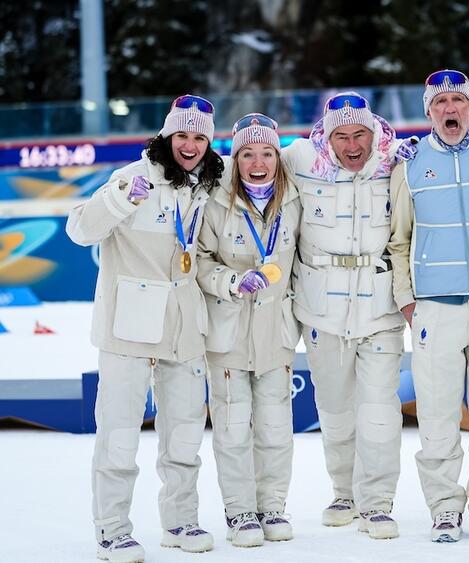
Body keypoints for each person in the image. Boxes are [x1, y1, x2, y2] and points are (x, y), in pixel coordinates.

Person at [67, 94, 223, 562]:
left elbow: (271, 159)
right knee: (118, 435)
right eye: (182, 135)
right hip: (128, 328)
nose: (190, 145)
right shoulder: (132, 177)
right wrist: (117, 200)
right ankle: (112, 530)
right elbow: (80, 230)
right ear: (166, 137)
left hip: (184, 326)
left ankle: (180, 521)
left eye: (199, 137)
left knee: (184, 435)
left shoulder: (209, 183)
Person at [387, 69, 469, 543]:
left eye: (458, 101)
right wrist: (408, 301)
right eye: (440, 102)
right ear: (428, 111)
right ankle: (444, 507)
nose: (449, 109)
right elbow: (398, 241)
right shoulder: (410, 164)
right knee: (438, 416)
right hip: (434, 310)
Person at [282, 92, 414, 539]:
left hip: (380, 308)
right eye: (342, 135)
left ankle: (377, 503)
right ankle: (344, 493)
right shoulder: (299, 159)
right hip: (321, 309)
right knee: (335, 410)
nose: (352, 144)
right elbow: (246, 160)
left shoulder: (395, 164)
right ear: (327, 136)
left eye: (360, 134)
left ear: (374, 133)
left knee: (379, 411)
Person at [196, 113, 301, 547]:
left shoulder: (294, 198)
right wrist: (231, 281)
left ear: (278, 156)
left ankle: (272, 506)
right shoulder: (215, 201)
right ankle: (240, 513)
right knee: (234, 427)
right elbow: (199, 261)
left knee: (276, 427)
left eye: (266, 153)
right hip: (227, 333)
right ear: (235, 158)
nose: (258, 163)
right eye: (247, 154)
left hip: (275, 332)